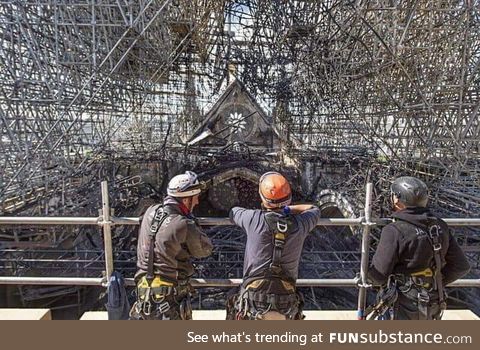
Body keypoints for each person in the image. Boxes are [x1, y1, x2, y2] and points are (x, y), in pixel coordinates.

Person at [368, 176, 470, 320]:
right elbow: (461, 266)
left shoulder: (394, 230)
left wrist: (364, 277)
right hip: (433, 302)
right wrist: (434, 281)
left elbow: (378, 275)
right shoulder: (439, 226)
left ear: (397, 199)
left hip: (404, 304)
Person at [227, 171, 321, 320]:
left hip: (253, 301)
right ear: (288, 198)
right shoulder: (301, 224)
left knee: (231, 299)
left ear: (263, 199)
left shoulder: (253, 219)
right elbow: (314, 209)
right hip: (286, 302)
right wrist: (287, 209)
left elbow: (233, 212)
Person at [130, 171, 213, 320]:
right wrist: (194, 225)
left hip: (143, 295)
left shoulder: (150, 211)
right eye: (195, 198)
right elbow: (204, 250)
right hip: (169, 298)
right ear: (186, 200)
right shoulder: (183, 223)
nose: (197, 202)